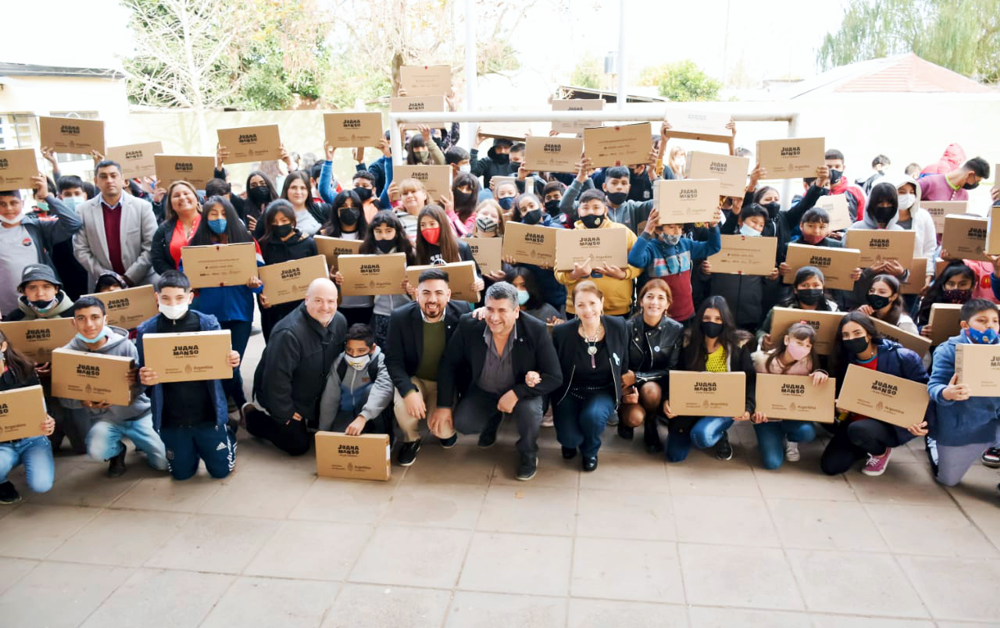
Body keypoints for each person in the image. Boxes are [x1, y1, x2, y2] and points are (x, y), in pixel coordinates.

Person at [435, 281, 562, 480]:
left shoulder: (535, 329)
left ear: (516, 311)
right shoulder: (470, 324)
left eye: (502, 310)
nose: (494, 317)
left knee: (530, 412)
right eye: (490, 309)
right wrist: (443, 405)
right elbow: (448, 363)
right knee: (463, 423)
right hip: (484, 390)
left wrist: (517, 393)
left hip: (522, 393)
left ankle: (528, 452)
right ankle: (493, 418)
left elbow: (555, 377)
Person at [137, 271, 240, 481]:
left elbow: (225, 371)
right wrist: (144, 377)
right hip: (172, 418)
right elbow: (143, 376)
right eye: (165, 298)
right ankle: (187, 449)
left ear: (190, 297)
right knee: (182, 474)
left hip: (206, 414)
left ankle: (227, 434)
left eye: (179, 298)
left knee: (221, 471)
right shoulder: (147, 331)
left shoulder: (209, 325)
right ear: (157, 297)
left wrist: (232, 362)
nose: (172, 303)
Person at [57, 297, 167, 477]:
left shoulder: (125, 346)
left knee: (163, 463)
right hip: (104, 419)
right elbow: (65, 398)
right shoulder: (67, 354)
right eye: (81, 318)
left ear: (105, 319)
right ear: (73, 322)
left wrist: (137, 380)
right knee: (96, 451)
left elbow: (144, 387)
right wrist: (84, 402)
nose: (89, 324)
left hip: (138, 413)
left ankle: (144, 442)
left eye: (95, 317)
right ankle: (117, 453)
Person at [246, 278, 347, 456]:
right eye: (318, 300)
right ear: (306, 299)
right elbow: (275, 380)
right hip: (287, 395)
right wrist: (286, 411)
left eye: (331, 301)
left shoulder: (339, 321)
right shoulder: (288, 334)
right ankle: (252, 417)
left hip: (316, 390)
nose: (325, 307)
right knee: (297, 444)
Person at [821, 311, 928, 476]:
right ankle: (864, 445)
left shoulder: (903, 358)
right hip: (855, 420)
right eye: (846, 335)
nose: (851, 338)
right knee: (831, 466)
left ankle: (880, 452)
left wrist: (919, 422)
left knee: (859, 430)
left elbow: (923, 391)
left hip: (888, 422)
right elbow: (838, 392)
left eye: (857, 333)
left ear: (869, 333)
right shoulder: (844, 359)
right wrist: (839, 406)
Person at [186, 196, 263, 413]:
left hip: (239, 314)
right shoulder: (196, 245)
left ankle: (239, 406)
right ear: (205, 217)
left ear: (230, 215)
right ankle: (235, 407)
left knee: (233, 363)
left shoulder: (246, 241)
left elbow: (262, 279)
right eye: (213, 214)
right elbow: (185, 278)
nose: (218, 218)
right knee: (214, 364)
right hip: (207, 315)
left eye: (222, 214)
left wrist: (256, 285)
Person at [385, 269, 470, 466]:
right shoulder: (400, 317)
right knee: (404, 408)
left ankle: (444, 429)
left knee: (443, 430)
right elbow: (393, 360)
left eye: (439, 293)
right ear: (416, 294)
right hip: (415, 378)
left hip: (445, 381)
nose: (432, 299)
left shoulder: (463, 312)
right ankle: (411, 439)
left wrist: (444, 406)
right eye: (426, 293)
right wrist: (408, 392)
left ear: (448, 295)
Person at [664, 296, 755, 463]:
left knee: (702, 437)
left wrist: (748, 407)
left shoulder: (737, 346)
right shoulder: (688, 343)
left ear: (725, 320)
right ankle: (696, 426)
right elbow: (676, 374)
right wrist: (668, 400)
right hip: (691, 407)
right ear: (700, 320)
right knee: (674, 456)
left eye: (718, 319)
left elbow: (750, 378)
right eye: (706, 318)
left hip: (724, 407)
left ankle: (719, 434)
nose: (711, 323)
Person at [551, 281, 629, 472]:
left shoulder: (618, 326)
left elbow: (624, 363)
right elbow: (553, 368)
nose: (587, 310)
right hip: (570, 390)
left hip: (601, 391)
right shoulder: (562, 332)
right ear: (574, 307)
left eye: (593, 303)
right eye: (581, 305)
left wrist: (628, 389)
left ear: (602, 302)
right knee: (570, 439)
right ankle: (570, 441)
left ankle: (590, 451)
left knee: (592, 418)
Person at [922, 299, 1000, 488]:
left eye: (995, 321)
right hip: (961, 424)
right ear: (965, 325)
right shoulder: (947, 350)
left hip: (994, 419)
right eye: (982, 321)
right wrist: (946, 393)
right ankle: (933, 441)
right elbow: (934, 385)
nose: (990, 325)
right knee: (948, 480)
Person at [0, 176, 82, 317]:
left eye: (14, 203)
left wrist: (47, 198)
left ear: (22, 203)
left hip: (43, 303)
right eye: (2, 204)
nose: (9, 208)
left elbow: (73, 224)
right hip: (8, 307)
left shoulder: (36, 226)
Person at [628, 206, 722, 325]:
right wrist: (647, 231)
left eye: (680, 227)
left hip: (687, 313)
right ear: (658, 230)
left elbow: (714, 247)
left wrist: (713, 227)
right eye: (671, 227)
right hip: (661, 316)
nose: (677, 232)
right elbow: (634, 259)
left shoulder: (686, 244)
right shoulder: (651, 248)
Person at [750, 322, 827, 468]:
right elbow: (751, 386)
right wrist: (753, 411)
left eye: (808, 345)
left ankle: (791, 439)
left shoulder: (809, 364)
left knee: (807, 432)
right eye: (799, 343)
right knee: (772, 463)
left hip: (792, 415)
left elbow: (816, 386)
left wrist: (821, 374)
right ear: (787, 340)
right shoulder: (762, 361)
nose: (803, 348)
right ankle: (772, 438)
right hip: (767, 418)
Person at [619, 279, 683, 453]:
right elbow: (620, 366)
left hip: (656, 388)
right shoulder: (626, 327)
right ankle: (624, 416)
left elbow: (672, 371)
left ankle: (651, 423)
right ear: (641, 301)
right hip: (629, 387)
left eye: (661, 298)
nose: (654, 302)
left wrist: (638, 377)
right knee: (633, 418)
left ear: (668, 304)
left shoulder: (676, 330)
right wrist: (624, 394)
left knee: (651, 389)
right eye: (650, 296)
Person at [554, 190, 641, 317]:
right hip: (579, 309)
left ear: (605, 210)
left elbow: (639, 262)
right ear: (579, 212)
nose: (590, 212)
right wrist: (575, 274)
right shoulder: (569, 237)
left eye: (596, 207)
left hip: (617, 309)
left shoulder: (623, 233)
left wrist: (623, 273)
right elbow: (558, 273)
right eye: (585, 208)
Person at [73, 160, 158, 290]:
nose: (109, 180)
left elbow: (151, 246)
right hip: (103, 286)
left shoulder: (142, 207)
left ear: (123, 179)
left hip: (142, 281)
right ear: (96, 181)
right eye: (103, 176)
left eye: (114, 175)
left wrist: (129, 278)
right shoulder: (82, 210)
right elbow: (80, 250)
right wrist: (109, 279)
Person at [0, 329, 56, 504]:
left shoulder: (24, 369)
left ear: (3, 346)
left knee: (42, 484)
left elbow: (40, 410)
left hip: (32, 439)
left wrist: (48, 421)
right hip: (2, 443)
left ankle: (33, 456)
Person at [258, 199, 319, 341]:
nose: (279, 225)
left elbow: (316, 274)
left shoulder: (307, 243)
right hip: (274, 310)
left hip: (302, 308)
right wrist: (262, 296)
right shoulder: (264, 245)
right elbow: (259, 275)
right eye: (274, 221)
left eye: (284, 220)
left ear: (292, 220)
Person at [317, 323, 394, 435]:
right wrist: (323, 431)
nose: (354, 355)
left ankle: (385, 436)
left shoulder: (381, 361)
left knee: (370, 390)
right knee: (339, 438)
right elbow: (330, 398)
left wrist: (363, 416)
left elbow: (384, 389)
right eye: (349, 350)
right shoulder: (340, 363)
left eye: (361, 350)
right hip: (347, 413)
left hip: (372, 415)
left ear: (372, 348)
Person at [355, 211, 416, 347]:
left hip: (406, 310)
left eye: (388, 231)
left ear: (396, 231)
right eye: (378, 231)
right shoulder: (366, 253)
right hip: (379, 312)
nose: (383, 236)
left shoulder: (410, 253)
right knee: (382, 349)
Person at [846, 182, 909, 309]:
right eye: (880, 203)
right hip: (857, 300)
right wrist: (868, 272)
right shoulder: (856, 230)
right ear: (871, 204)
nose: (885, 207)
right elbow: (845, 271)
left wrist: (902, 273)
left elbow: (906, 272)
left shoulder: (900, 233)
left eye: (889, 203)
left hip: (887, 304)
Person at [560, 161, 656, 235]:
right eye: (614, 183)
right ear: (604, 187)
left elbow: (662, 201)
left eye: (624, 183)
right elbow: (565, 206)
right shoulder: (593, 208)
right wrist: (580, 178)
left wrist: (652, 174)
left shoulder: (634, 208)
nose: (619, 186)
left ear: (629, 187)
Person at [322, 190, 372, 328]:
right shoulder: (325, 236)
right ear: (336, 210)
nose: (349, 210)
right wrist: (330, 276)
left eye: (353, 206)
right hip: (338, 304)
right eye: (343, 206)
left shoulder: (370, 236)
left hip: (367, 302)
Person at [757, 266, 839, 351]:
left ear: (823, 288)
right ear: (795, 289)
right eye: (804, 285)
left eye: (816, 285)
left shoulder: (833, 309)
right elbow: (762, 330)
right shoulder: (782, 309)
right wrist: (763, 339)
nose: (810, 289)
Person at [150, 181, 202, 274]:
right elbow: (157, 260)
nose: (182, 197)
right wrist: (176, 278)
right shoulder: (163, 229)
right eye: (176, 196)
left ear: (197, 199)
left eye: (186, 193)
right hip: (179, 285)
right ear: (171, 204)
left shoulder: (209, 221)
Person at [916, 263, 976, 337]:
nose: (956, 288)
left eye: (962, 284)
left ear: (972, 286)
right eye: (951, 284)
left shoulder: (978, 307)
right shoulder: (930, 302)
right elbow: (918, 326)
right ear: (943, 286)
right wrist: (921, 330)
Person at [4, 263, 75, 321]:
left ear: (56, 289)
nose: (40, 294)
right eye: (32, 288)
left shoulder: (75, 314)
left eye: (46, 287)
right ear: (23, 292)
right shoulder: (14, 318)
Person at [279, 170, 328, 237]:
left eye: (303, 188)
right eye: (294, 187)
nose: (298, 192)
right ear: (286, 189)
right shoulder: (276, 214)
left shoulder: (321, 209)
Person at [918, 157, 989, 203]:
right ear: (970, 174)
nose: (975, 185)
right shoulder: (928, 183)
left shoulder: (964, 196)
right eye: (976, 181)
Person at [824, 149, 866, 222]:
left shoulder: (856, 191)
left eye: (837, 166)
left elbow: (863, 221)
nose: (833, 170)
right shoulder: (815, 191)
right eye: (829, 167)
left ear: (843, 168)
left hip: (850, 233)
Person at [446, 172, 480, 236]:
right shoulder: (443, 205)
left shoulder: (473, 215)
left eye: (468, 189)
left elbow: (466, 234)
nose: (463, 191)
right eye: (460, 187)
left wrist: (450, 212)